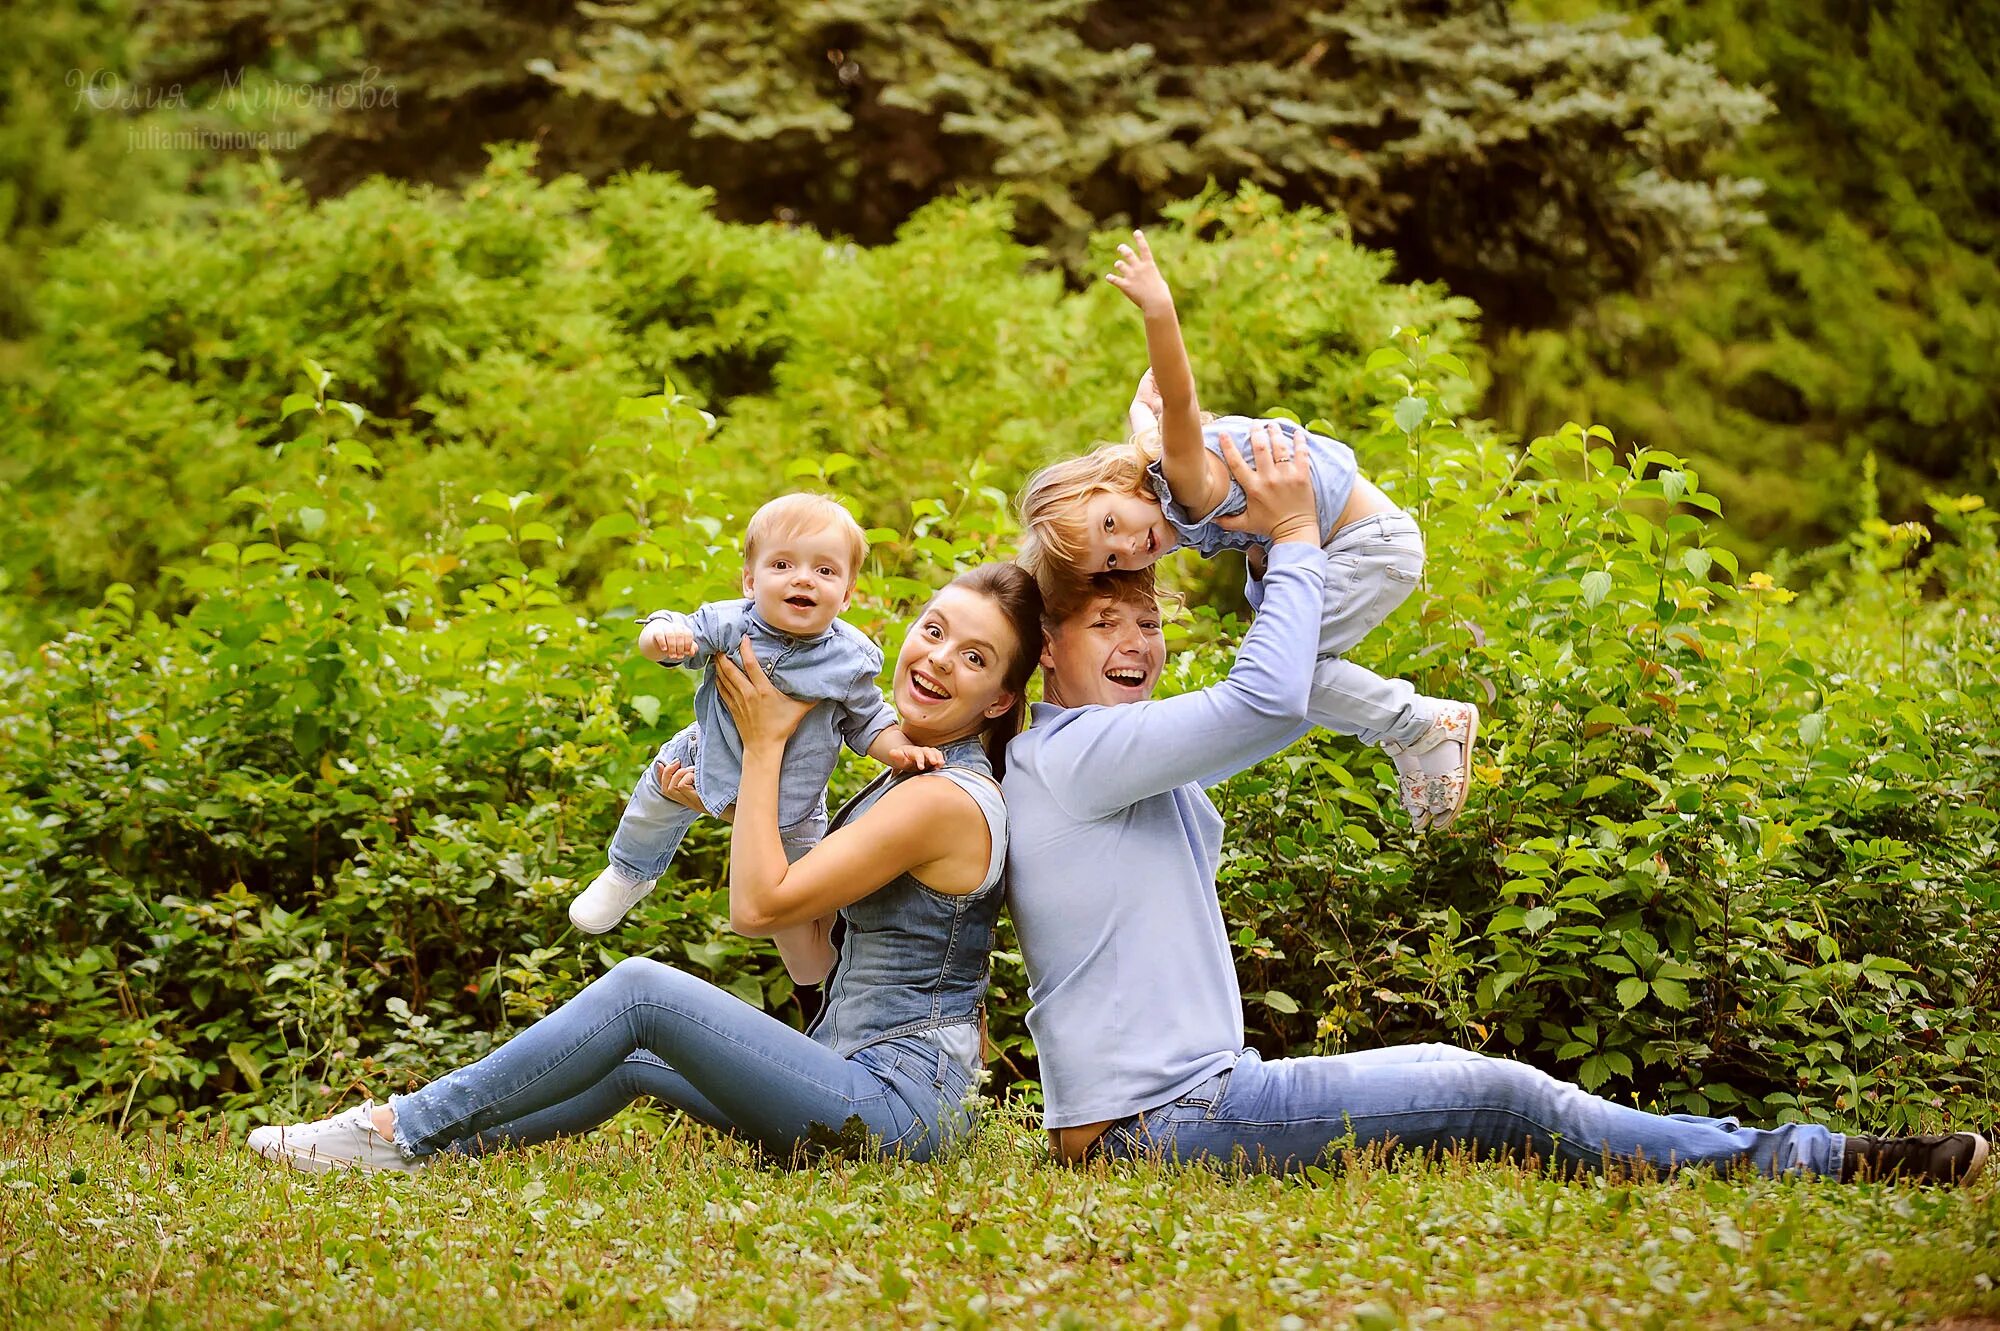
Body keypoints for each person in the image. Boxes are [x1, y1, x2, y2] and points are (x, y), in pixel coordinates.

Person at [1004, 427, 1989, 1185]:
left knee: (1472, 1084)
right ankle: (1816, 1157)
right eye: (1103, 623)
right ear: (1047, 648)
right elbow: (1267, 695)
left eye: (1147, 620)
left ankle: (1808, 1151)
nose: (1136, 642)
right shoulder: (1078, 752)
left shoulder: (1108, 748)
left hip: (1179, 1101)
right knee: (1485, 1085)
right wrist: (1297, 533)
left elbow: (1272, 694)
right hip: (1160, 1121)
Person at [248, 563, 1044, 1172]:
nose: (937, 660)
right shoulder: (909, 770)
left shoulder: (943, 798)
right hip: (847, 1074)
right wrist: (737, 796)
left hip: (896, 1109)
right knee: (637, 1059)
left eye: (975, 656)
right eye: (934, 630)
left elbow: (756, 908)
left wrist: (765, 744)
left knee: (640, 989)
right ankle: (416, 1150)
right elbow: (811, 951)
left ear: (1002, 699)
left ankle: (398, 1124)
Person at [1017, 230, 1475, 831]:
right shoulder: (1155, 467)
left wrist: (1159, 311)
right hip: (1352, 546)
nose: (1128, 548)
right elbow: (1155, 423)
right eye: (1110, 561)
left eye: (1111, 524)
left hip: (1366, 548)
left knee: (1289, 673)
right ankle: (1412, 728)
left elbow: (1179, 403)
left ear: (1116, 479)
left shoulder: (1184, 479)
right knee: (1287, 670)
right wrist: (1141, 412)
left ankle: (1418, 723)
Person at [571, 492, 945, 936]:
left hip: (794, 802)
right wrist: (662, 636)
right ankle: (629, 873)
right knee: (656, 796)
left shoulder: (850, 658)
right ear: (750, 581)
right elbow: (673, 632)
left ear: (846, 595)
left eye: (824, 570)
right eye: (782, 565)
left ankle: (837, 947)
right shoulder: (731, 623)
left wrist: (902, 750)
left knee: (805, 908)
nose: (803, 580)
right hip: (707, 757)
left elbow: (868, 722)